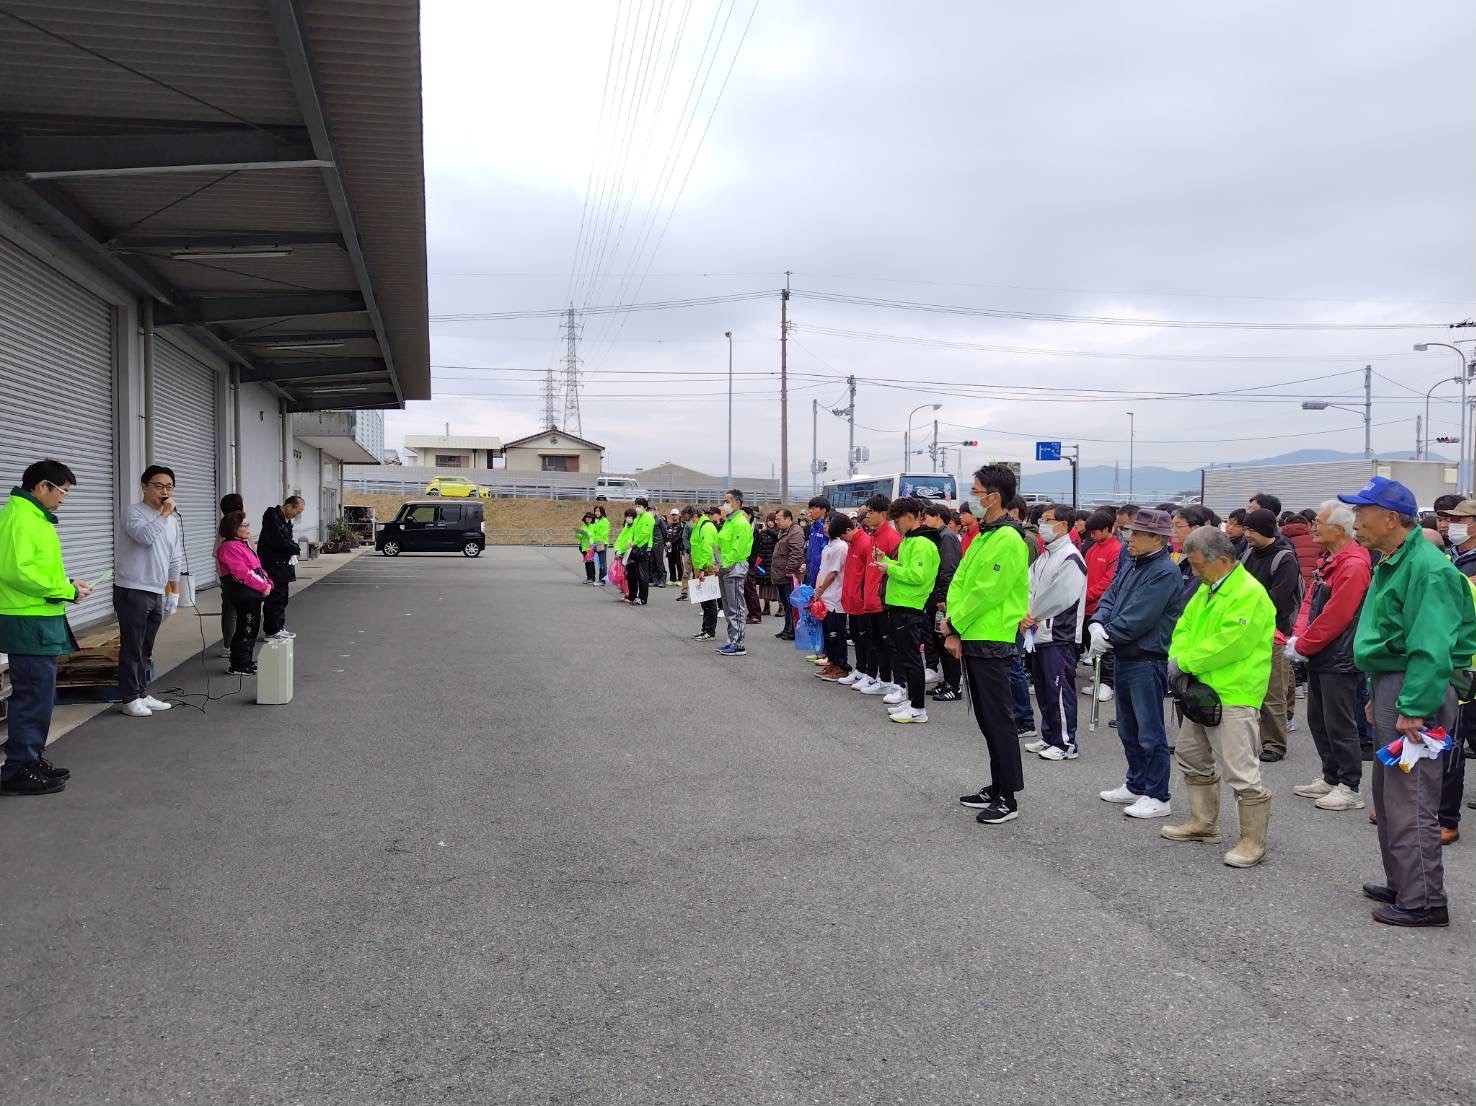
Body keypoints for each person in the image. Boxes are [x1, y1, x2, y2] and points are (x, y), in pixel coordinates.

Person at [1340, 476, 1476, 926]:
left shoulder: (1426, 566)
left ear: (1390, 518)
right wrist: (1381, 694)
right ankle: (1403, 881)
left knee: (1411, 794)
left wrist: (1413, 705)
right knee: (1389, 789)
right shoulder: (1396, 560)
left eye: (1362, 512)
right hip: (1395, 682)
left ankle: (1424, 900)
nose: (1355, 520)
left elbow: (1431, 647)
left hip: (1415, 685)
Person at [1161, 526, 1277, 867]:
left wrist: (1183, 661)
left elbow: (1232, 642)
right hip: (1200, 688)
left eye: (1198, 565)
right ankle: (1202, 823)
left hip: (1234, 691)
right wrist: (1180, 659)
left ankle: (1252, 840)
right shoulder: (1208, 587)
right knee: (1191, 756)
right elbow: (1184, 626)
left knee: (1241, 770)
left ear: (1222, 560)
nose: (1193, 572)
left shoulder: (1248, 592)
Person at [1087, 508, 1186, 820]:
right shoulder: (1133, 561)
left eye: (1137, 533)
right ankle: (1136, 782)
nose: (1129, 538)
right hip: (1127, 655)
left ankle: (1158, 794)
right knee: (1129, 728)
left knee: (1149, 730)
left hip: (1147, 658)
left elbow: (1142, 615)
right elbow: (1111, 595)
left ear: (1156, 538)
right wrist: (1098, 622)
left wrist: (1109, 633)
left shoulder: (1164, 571)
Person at [0, 461, 90, 796]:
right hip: (26, 619)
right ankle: (17, 768)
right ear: (42, 486)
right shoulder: (19, 518)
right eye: (62, 491)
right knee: (32, 694)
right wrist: (65, 591)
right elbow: (16, 572)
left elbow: (36, 571)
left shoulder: (33, 518)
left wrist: (67, 584)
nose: (63, 498)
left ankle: (30, 758)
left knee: (41, 693)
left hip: (39, 615)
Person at [946, 465, 1030, 824]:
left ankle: (1008, 796)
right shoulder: (982, 535)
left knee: (998, 718)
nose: (973, 498)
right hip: (973, 632)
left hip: (993, 636)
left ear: (994, 497)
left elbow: (987, 592)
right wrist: (952, 622)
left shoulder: (1009, 539)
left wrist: (956, 622)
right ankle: (995, 787)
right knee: (985, 717)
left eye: (977, 492)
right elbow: (960, 582)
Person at [1286, 500, 1372, 813]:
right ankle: (1331, 776)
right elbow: (1310, 602)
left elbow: (1337, 615)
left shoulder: (1353, 564)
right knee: (1318, 719)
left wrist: (1304, 643)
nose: (1313, 527)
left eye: (1319, 522)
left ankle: (1349, 786)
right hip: (1323, 652)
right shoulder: (1332, 558)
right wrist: (1299, 636)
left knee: (1340, 723)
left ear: (1338, 528)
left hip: (1340, 655)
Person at [115, 465, 184, 718]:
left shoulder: (172, 522)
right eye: (158, 486)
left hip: (156, 590)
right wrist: (164, 515)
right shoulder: (133, 513)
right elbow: (145, 537)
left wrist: (173, 591)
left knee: (146, 647)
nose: (164, 491)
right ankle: (130, 698)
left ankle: (142, 692)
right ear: (144, 486)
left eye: (168, 487)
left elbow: (174, 557)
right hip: (132, 588)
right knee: (132, 646)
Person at [1021, 504, 1087, 760]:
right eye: (1042, 519)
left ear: (1064, 525)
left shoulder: (1071, 557)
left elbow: (1061, 596)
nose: (1043, 524)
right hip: (1037, 633)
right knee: (1044, 690)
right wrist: (1026, 612)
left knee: (1059, 690)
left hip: (1059, 635)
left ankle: (1066, 743)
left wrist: (1032, 614)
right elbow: (1029, 586)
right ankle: (1049, 736)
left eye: (1049, 520)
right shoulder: (1045, 555)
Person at [1239, 507, 1302, 762]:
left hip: (1274, 632)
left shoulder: (1285, 558)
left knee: (1272, 691)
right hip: (1247, 630)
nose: (1247, 535)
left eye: (1251, 530)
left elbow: (1278, 600)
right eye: (1245, 529)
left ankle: (1275, 744)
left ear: (1265, 530)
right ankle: (1250, 737)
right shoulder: (1247, 554)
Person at [876, 497, 941, 724]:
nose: (896, 525)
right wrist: (885, 561)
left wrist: (889, 569)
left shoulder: (921, 543)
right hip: (900, 604)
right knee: (905, 657)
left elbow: (917, 576)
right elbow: (906, 568)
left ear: (910, 517)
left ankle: (918, 708)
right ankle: (912, 701)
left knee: (912, 659)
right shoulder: (909, 541)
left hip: (910, 606)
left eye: (897, 520)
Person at [1438, 497, 1476, 841]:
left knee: (1453, 741)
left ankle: (1447, 820)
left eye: (1458, 518)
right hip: (1454, 663)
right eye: (1447, 518)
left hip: (1466, 667)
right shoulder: (1456, 558)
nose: (1449, 524)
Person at [214, 511, 274, 675]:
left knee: (251, 627)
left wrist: (267, 583)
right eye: (244, 525)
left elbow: (258, 569)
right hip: (243, 594)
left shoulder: (242, 545)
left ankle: (245, 660)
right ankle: (239, 663)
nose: (247, 528)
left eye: (247, 525)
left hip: (252, 593)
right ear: (233, 528)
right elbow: (243, 573)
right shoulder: (229, 547)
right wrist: (263, 586)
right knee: (246, 627)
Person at [923, 501, 964, 703]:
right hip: (934, 597)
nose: (924, 520)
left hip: (943, 599)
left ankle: (953, 685)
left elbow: (948, 570)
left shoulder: (947, 537)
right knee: (937, 641)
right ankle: (946, 681)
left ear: (937, 516)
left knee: (945, 641)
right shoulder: (939, 536)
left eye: (927, 516)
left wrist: (941, 598)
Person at [814, 513, 853, 681]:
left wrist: (821, 589)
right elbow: (823, 569)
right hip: (825, 597)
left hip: (835, 597)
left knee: (836, 634)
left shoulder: (841, 547)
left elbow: (834, 572)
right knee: (828, 633)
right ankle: (832, 662)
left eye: (828, 523)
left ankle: (841, 665)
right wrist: (817, 589)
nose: (824, 526)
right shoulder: (828, 546)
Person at [259, 495, 304, 640]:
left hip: (282, 565)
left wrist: (293, 549)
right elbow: (278, 541)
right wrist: (295, 548)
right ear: (288, 505)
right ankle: (272, 630)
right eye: (297, 511)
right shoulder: (272, 517)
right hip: (273, 565)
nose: (297, 515)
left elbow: (285, 541)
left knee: (282, 597)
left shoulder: (285, 520)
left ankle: (278, 627)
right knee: (275, 597)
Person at [716, 489, 753, 656]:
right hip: (725, 567)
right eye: (724, 501)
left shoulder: (741, 523)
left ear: (737, 502)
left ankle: (738, 644)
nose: (725, 504)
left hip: (734, 567)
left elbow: (737, 550)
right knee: (728, 607)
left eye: (728, 501)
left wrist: (723, 564)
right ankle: (732, 640)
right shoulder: (729, 522)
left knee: (736, 606)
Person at [216, 493, 245, 652]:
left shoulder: (226, 525)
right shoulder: (232, 526)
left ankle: (232, 644)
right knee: (232, 609)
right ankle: (230, 645)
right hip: (234, 575)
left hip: (228, 574)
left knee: (231, 609)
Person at [771, 508, 805, 640]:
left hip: (788, 575)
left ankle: (792, 630)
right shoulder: (783, 531)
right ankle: (787, 628)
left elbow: (796, 554)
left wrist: (790, 570)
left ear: (788, 519)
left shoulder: (795, 532)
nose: (776, 522)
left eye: (779, 519)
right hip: (780, 574)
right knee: (786, 603)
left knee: (791, 604)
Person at [688, 506, 721, 641]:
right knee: (704, 601)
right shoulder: (699, 525)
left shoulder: (706, 526)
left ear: (695, 515)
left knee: (709, 601)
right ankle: (704, 629)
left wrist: (702, 569)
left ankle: (710, 631)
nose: (689, 521)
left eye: (689, 518)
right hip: (700, 566)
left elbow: (707, 549)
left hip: (706, 567)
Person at [624, 499, 654, 605]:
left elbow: (644, 533)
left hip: (643, 548)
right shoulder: (637, 519)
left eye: (640, 506)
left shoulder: (648, 517)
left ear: (645, 507)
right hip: (634, 548)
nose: (637, 508)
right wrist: (630, 541)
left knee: (642, 574)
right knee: (632, 573)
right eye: (636, 505)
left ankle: (643, 598)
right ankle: (633, 595)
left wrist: (634, 542)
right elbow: (632, 532)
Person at [1279, 510, 1320, 588]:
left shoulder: (1280, 542)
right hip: (1313, 587)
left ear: (1285, 525)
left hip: (1291, 587)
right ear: (1306, 525)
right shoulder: (1318, 541)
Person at [649, 506, 669, 589]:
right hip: (651, 543)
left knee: (659, 562)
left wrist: (664, 542)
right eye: (649, 510)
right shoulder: (648, 520)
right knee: (652, 563)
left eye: (652, 510)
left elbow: (665, 531)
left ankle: (662, 580)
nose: (651, 511)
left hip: (658, 543)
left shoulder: (659, 520)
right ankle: (656, 580)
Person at [590, 504, 611, 584]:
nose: (597, 512)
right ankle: (600, 579)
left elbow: (603, 534)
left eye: (598, 511)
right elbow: (593, 532)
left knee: (602, 562)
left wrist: (595, 541)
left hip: (602, 543)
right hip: (596, 543)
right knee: (598, 562)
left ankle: (602, 580)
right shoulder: (595, 520)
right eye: (596, 511)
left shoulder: (604, 521)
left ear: (602, 512)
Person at [575, 511, 598, 583]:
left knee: (590, 562)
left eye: (590, 518)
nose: (588, 519)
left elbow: (597, 536)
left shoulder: (594, 525)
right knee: (587, 563)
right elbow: (578, 536)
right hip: (584, 547)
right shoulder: (583, 526)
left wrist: (590, 536)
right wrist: (579, 534)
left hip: (591, 546)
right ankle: (588, 578)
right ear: (585, 518)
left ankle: (592, 578)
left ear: (592, 519)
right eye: (587, 517)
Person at [666, 508, 684, 585]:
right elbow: (666, 535)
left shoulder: (681, 525)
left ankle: (680, 579)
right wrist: (666, 542)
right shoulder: (669, 525)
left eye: (675, 515)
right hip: (670, 548)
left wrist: (671, 542)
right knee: (671, 563)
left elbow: (680, 536)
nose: (673, 516)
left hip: (677, 548)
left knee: (679, 564)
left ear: (678, 515)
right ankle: (672, 579)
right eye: (672, 515)